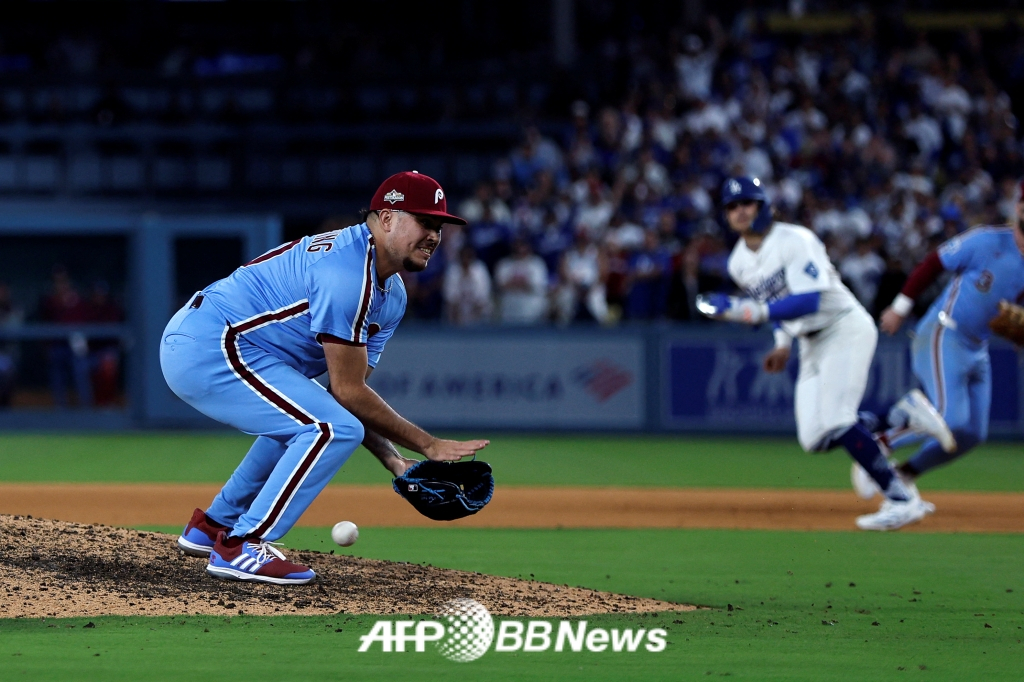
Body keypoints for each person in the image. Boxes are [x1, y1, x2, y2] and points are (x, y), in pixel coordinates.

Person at [161, 171, 489, 585]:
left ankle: (212, 528)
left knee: (315, 421)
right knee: (329, 428)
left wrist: (395, 461)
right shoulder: (347, 273)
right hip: (208, 342)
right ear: (386, 218)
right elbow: (349, 396)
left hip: (230, 344)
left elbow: (342, 393)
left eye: (439, 226)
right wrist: (428, 445)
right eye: (425, 222)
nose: (434, 235)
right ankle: (244, 544)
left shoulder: (391, 295)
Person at [698, 176, 951, 531]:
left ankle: (901, 498)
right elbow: (774, 305)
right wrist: (782, 343)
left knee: (837, 418)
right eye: (732, 206)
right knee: (814, 437)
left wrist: (756, 313)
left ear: (762, 205)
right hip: (809, 341)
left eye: (747, 203)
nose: (740, 211)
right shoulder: (738, 262)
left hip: (843, 326)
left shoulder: (794, 240)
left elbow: (809, 299)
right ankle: (901, 416)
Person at [851, 181, 1024, 503]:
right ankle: (878, 444)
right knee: (950, 419)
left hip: (978, 347)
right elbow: (934, 263)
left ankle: (904, 475)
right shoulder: (988, 240)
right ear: (1019, 208)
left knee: (972, 434)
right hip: (945, 332)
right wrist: (900, 308)